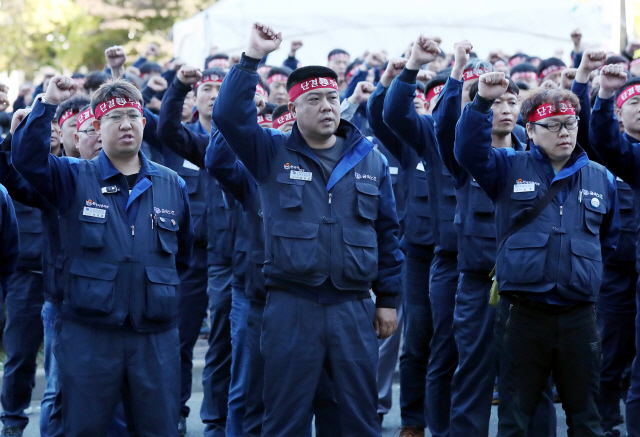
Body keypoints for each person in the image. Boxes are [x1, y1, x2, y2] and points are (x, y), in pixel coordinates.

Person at [212, 22, 403, 437]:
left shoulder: (368, 159)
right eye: (314, 99)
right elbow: (227, 116)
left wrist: (388, 299)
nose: (326, 106)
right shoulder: (270, 152)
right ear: (294, 109)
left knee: (356, 418)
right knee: (285, 419)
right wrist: (251, 58)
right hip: (291, 305)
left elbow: (388, 234)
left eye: (332, 98)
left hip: (354, 307)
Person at [12, 76, 194, 436]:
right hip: (89, 334)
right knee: (84, 428)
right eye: (114, 117)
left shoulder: (172, 184)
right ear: (96, 126)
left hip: (154, 337)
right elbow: (26, 159)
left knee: (159, 429)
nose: (126, 124)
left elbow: (181, 258)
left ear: (144, 122)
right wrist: (46, 103)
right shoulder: (73, 176)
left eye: (133, 115)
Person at [456, 72, 619, 436]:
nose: (565, 132)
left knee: (587, 417)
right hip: (524, 313)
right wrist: (481, 102)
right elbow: (467, 151)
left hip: (579, 314)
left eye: (570, 123)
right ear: (529, 131)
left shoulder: (600, 177)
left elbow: (608, 241)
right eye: (553, 125)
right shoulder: (506, 167)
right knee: (515, 417)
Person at [157, 64, 237, 437]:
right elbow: (165, 128)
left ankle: (216, 419)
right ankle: (175, 412)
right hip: (186, 257)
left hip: (228, 254)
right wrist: (177, 87)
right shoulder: (189, 139)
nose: (210, 95)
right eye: (204, 90)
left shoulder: (240, 140)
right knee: (180, 339)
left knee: (222, 340)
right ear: (196, 98)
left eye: (217, 90)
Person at [367, 57, 437, 435]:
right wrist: (389, 81)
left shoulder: (478, 147)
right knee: (409, 341)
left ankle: (448, 415)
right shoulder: (412, 145)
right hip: (412, 255)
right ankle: (410, 418)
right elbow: (381, 117)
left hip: (468, 257)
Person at [589, 63, 640, 437]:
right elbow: (604, 139)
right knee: (614, 349)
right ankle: (605, 420)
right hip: (615, 269)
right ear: (620, 115)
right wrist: (605, 95)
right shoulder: (617, 152)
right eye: (633, 102)